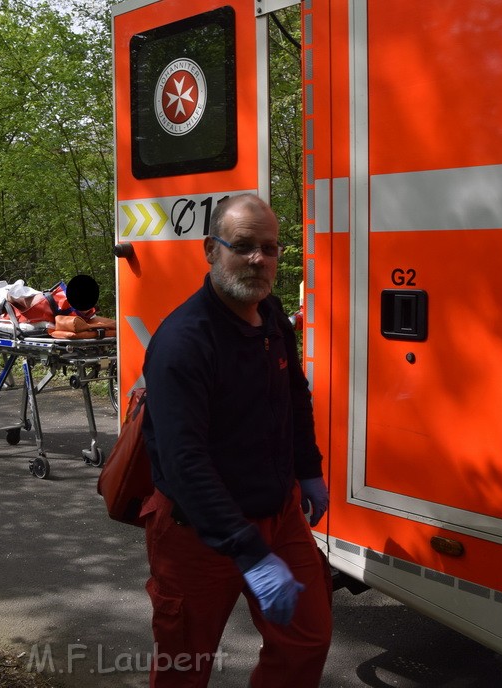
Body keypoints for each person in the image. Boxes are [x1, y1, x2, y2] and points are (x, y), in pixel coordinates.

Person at [140, 194, 332, 687]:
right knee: (185, 664)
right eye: (243, 246)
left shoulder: (269, 315)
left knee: (305, 640)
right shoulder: (184, 342)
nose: (258, 260)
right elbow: (185, 464)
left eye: (269, 249)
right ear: (211, 249)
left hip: (279, 512)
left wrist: (308, 470)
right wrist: (247, 551)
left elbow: (294, 395)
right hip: (198, 530)